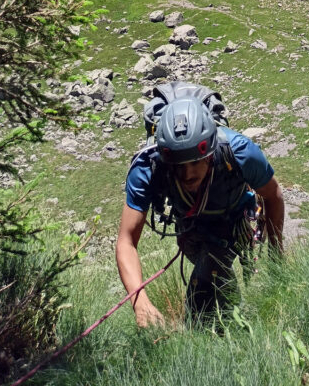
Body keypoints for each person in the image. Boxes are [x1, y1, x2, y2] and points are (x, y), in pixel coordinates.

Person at [116, 96, 285, 326]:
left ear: (210, 151)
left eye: (196, 161)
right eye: (179, 165)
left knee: (208, 276)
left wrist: (277, 256)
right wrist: (140, 301)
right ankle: (232, 325)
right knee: (211, 271)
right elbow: (126, 241)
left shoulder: (241, 152)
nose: (188, 173)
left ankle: (222, 332)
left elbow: (273, 195)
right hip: (191, 227)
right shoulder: (148, 167)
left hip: (233, 218)